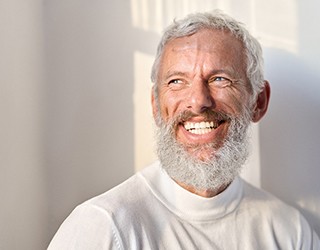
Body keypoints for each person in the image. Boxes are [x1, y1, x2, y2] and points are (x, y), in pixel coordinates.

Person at [48, 11, 319, 249]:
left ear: (258, 102)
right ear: (156, 106)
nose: (198, 101)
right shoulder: (104, 226)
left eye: (220, 79)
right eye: (177, 81)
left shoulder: (289, 231)